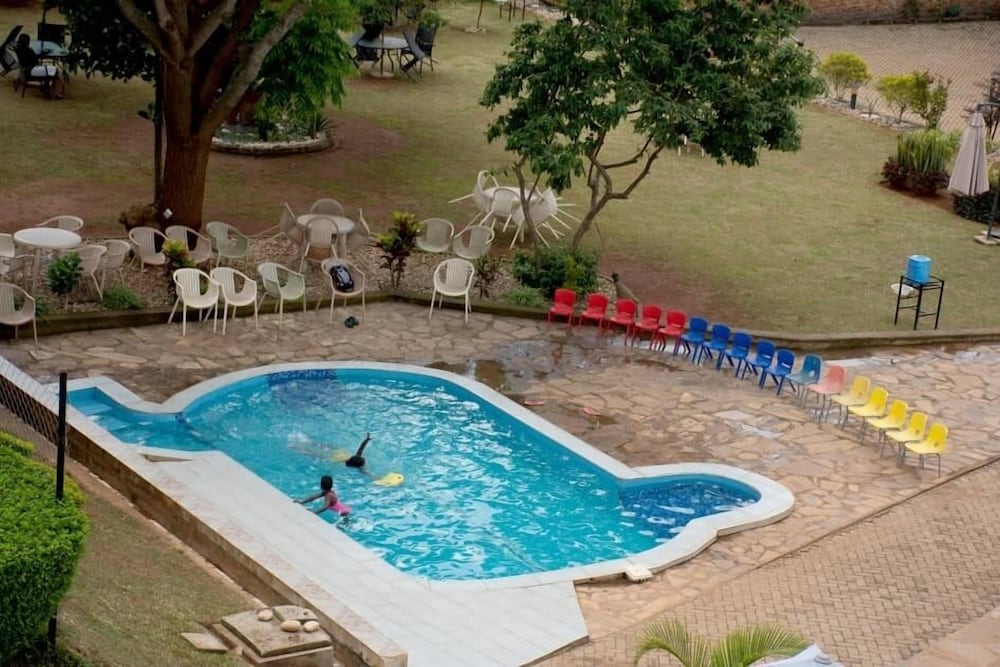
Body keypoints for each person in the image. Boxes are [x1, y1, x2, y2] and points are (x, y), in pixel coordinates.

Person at [14, 34, 64, 99]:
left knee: (48, 70)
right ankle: (51, 93)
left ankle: (47, 87)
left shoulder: (18, 49)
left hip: (25, 71)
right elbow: (36, 61)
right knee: (54, 70)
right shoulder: (28, 50)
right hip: (31, 71)